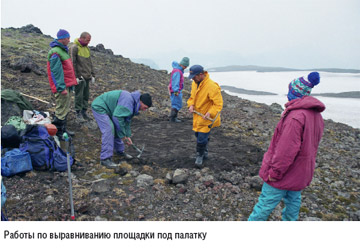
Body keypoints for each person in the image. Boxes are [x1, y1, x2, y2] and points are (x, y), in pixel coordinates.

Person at [248, 72, 325, 221]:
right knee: (293, 202)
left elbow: (286, 151)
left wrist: (275, 172)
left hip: (283, 174)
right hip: (301, 172)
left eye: (290, 91)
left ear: (295, 93)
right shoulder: (316, 115)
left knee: (264, 205)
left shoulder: (295, 117)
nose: (287, 94)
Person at [91, 90, 152, 168]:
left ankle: (119, 151)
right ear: (141, 102)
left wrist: (127, 136)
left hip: (111, 110)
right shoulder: (128, 102)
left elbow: (126, 122)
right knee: (109, 129)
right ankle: (105, 159)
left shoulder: (133, 104)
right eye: (145, 107)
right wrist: (123, 135)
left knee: (117, 127)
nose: (144, 110)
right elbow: (117, 118)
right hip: (100, 107)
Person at [187, 65, 223, 167]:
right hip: (197, 116)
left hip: (207, 117)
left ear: (201, 74)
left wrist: (210, 113)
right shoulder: (195, 84)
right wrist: (191, 105)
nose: (193, 78)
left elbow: (218, 104)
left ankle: (200, 155)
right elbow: (192, 97)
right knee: (197, 135)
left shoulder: (212, 86)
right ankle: (204, 151)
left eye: (194, 76)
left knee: (202, 137)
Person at [47, 29, 77, 139]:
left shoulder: (62, 51)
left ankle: (63, 130)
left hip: (67, 85)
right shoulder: (56, 52)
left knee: (65, 108)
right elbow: (56, 72)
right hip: (62, 86)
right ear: (63, 38)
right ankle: (57, 131)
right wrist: (61, 88)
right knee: (61, 109)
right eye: (68, 38)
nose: (69, 40)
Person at [69, 32, 95, 121]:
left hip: (87, 76)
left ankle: (84, 111)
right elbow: (73, 63)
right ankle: (78, 112)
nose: (89, 42)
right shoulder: (74, 48)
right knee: (79, 95)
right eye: (88, 40)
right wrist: (75, 76)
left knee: (86, 95)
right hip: (80, 77)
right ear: (82, 38)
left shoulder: (87, 48)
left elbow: (90, 62)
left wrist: (93, 74)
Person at [168, 57, 190, 122]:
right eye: (185, 65)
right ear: (182, 64)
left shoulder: (178, 70)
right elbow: (175, 82)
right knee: (176, 104)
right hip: (176, 91)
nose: (185, 67)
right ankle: (173, 118)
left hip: (176, 90)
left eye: (186, 66)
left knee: (177, 103)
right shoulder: (177, 71)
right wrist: (176, 91)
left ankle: (174, 118)